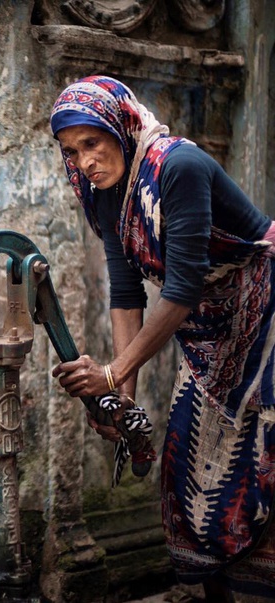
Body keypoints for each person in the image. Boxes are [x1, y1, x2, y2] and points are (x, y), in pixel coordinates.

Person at [49, 75, 275, 602]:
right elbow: (127, 293)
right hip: (205, 333)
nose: (84, 163)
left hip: (265, 314)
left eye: (92, 144)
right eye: (71, 152)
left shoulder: (180, 167)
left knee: (260, 461)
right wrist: (122, 400)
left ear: (121, 128)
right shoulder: (105, 196)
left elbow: (182, 287)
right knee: (183, 466)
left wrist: (110, 371)